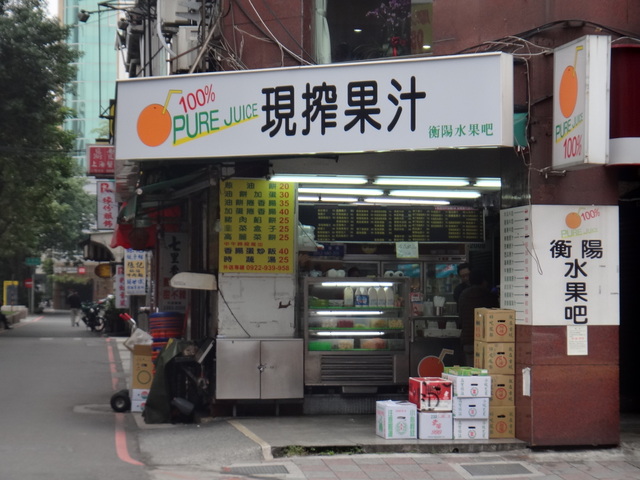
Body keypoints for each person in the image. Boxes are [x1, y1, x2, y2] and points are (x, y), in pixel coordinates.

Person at [457, 270, 499, 366]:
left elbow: (460, 319)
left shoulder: (463, 295)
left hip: (468, 341)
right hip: (486, 340)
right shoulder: (489, 296)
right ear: (483, 281)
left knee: (471, 369)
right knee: (485, 369)